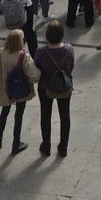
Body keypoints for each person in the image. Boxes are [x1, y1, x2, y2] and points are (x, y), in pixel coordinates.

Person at [0, 28, 40, 154]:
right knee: (19, 116)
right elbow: (35, 76)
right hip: (21, 91)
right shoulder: (24, 56)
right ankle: (16, 143)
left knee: (4, 112)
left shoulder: (2, 52)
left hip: (6, 90)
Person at [34, 20, 75, 157]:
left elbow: (36, 68)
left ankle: (46, 146)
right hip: (64, 86)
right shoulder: (69, 49)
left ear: (47, 35)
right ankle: (63, 147)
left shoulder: (40, 51)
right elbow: (71, 66)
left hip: (45, 87)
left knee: (45, 116)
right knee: (65, 116)